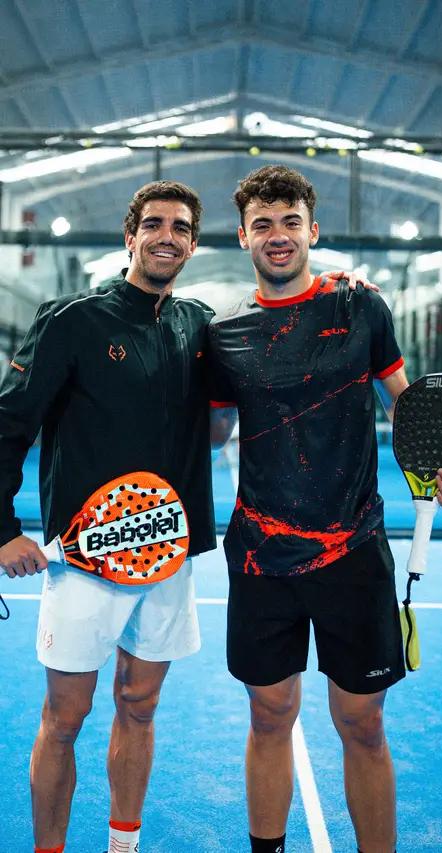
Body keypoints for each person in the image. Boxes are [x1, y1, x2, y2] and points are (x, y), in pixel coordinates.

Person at [0, 178, 367, 853]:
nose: (166, 237)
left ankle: (123, 845)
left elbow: (265, 361)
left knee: (140, 705)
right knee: (65, 717)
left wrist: (337, 297)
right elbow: (8, 423)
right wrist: (2, 531)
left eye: (180, 228)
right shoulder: (71, 319)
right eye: (154, 224)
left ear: (194, 244)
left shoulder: (199, 324)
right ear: (130, 236)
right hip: (85, 556)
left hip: (167, 555)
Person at [208, 165, 442, 853]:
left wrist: (438, 461)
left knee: (362, 722)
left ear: (312, 230)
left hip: (353, 552)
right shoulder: (224, 332)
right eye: (263, 224)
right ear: (243, 236)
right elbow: (211, 432)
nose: (278, 235)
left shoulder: (361, 308)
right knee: (270, 715)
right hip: (261, 557)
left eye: (290, 221)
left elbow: (405, 406)